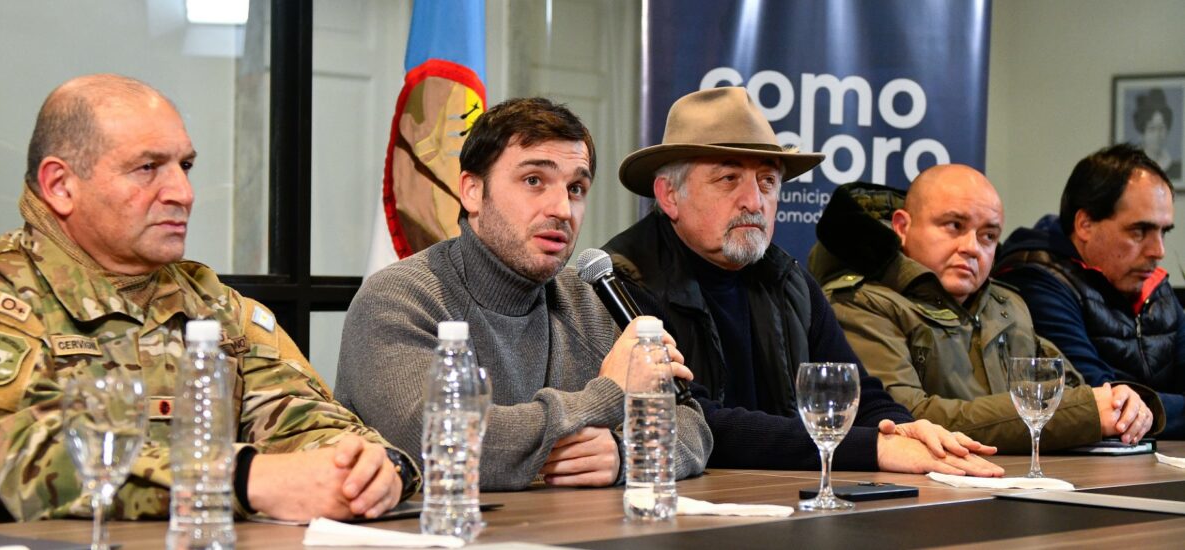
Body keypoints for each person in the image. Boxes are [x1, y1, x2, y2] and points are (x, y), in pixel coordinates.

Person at [0, 75, 415, 526]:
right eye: (147, 168)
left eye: (184, 166)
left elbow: (300, 416)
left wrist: (370, 467)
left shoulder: (213, 304)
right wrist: (243, 480)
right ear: (61, 185)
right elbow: (35, 467)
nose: (182, 193)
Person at [602, 86, 1002, 476]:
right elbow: (693, 422)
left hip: (782, 500)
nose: (754, 202)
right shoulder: (624, 281)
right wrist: (872, 448)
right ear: (669, 196)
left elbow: (855, 392)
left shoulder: (789, 281)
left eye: (767, 182)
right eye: (728, 179)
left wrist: (903, 429)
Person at [336, 97, 712, 490]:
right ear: (472, 191)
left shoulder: (590, 299)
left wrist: (625, 453)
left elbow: (691, 422)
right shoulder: (397, 299)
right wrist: (609, 394)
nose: (562, 209)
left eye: (576, 188)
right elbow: (441, 443)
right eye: (534, 181)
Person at [809, 169, 1159, 453]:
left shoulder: (1007, 305)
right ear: (902, 227)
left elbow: (1069, 391)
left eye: (988, 235)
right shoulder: (861, 304)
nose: (972, 248)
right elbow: (904, 419)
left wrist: (1121, 404)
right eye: (954, 226)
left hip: (1017, 481)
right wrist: (1085, 413)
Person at [997, 144, 1185, 438]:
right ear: (1085, 224)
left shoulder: (1153, 284)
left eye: (1164, 232)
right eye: (1138, 232)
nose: (1158, 251)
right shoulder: (1037, 280)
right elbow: (1101, 403)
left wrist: (1151, 411)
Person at [1132, 88, 1180, 180]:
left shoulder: (1176, 167)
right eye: (1152, 129)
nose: (1157, 135)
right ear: (1142, 133)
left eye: (1161, 128)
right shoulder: (1133, 167)